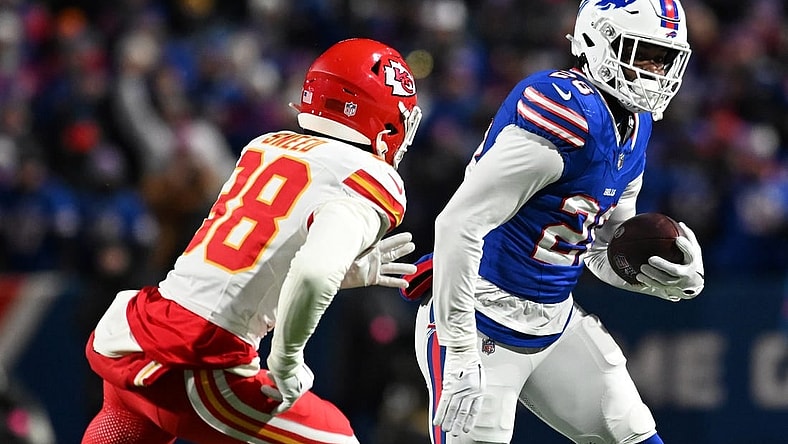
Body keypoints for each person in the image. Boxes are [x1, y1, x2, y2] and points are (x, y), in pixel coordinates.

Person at [81, 37, 423, 444]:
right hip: (199, 356)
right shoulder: (370, 177)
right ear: (385, 121)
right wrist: (286, 361)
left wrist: (339, 273)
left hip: (141, 329)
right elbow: (314, 274)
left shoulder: (267, 145)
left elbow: (251, 259)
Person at [403, 1, 705, 443]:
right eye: (643, 53)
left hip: (554, 320)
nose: (655, 71)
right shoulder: (565, 111)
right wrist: (461, 349)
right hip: (478, 318)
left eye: (664, 59)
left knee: (636, 434)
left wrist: (656, 279)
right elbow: (457, 224)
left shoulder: (636, 125)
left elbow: (598, 248)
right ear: (598, 41)